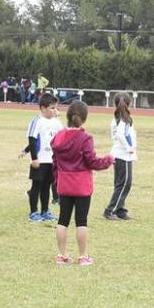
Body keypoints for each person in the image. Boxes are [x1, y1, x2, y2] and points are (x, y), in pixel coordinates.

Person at [51, 101, 114, 266]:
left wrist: (58, 178)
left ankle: (61, 255)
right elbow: (92, 161)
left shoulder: (58, 137)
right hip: (81, 184)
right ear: (84, 118)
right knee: (81, 220)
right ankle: (83, 256)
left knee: (62, 220)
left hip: (64, 183)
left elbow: (55, 161)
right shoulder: (85, 138)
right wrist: (109, 160)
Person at [20, 93, 62, 222]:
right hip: (40, 160)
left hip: (52, 161)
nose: (55, 111)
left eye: (56, 108)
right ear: (43, 108)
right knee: (36, 186)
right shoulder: (37, 121)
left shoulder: (57, 123)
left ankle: (45, 211)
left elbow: (60, 139)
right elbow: (32, 140)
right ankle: (33, 212)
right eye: (52, 108)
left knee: (46, 186)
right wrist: (34, 158)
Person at [104, 92, 137, 220]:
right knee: (124, 184)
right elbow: (120, 135)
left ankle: (120, 209)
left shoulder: (119, 118)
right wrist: (129, 148)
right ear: (129, 104)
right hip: (123, 156)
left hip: (120, 155)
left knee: (121, 184)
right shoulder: (123, 119)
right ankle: (110, 210)